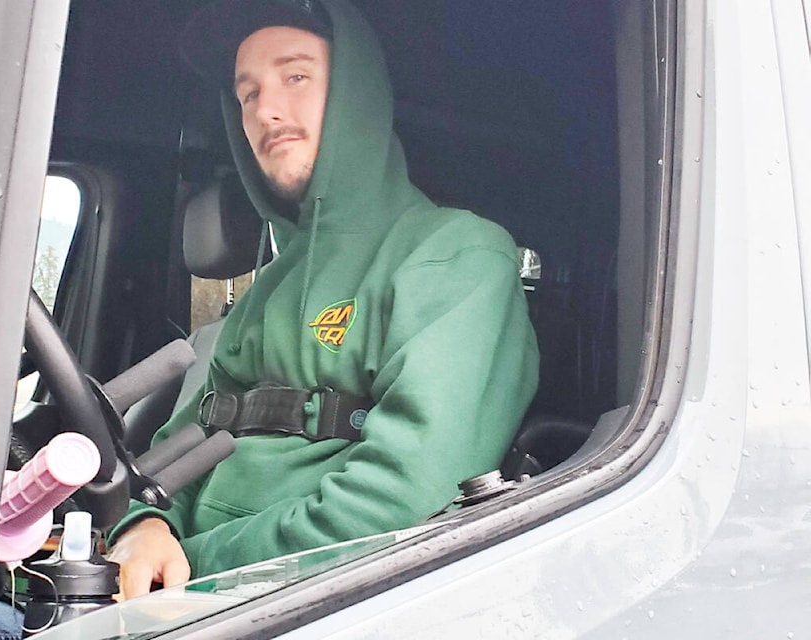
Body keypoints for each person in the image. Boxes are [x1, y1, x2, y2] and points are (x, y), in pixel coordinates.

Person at [107, 0, 539, 599]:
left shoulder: (456, 255)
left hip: (313, 606)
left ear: (355, 95)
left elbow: (401, 500)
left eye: (296, 76)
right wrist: (144, 527)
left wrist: (190, 572)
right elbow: (176, 453)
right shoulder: (265, 295)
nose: (268, 111)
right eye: (248, 94)